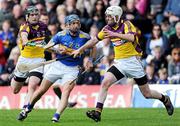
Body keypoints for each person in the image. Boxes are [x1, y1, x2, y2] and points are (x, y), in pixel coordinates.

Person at [72, 6, 174, 122]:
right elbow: (94, 40)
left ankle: (165, 99)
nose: (107, 18)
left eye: (109, 16)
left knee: (147, 93)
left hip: (133, 62)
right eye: (107, 16)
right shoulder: (107, 28)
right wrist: (80, 49)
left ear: (116, 16)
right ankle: (97, 112)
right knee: (105, 82)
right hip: (120, 63)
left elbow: (131, 37)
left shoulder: (126, 24)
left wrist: (114, 34)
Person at [17, 14, 91, 122]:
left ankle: (56, 116)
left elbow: (93, 46)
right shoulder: (60, 35)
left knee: (66, 91)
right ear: (67, 25)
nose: (76, 25)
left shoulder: (85, 37)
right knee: (41, 90)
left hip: (73, 69)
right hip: (58, 65)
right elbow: (47, 47)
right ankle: (28, 108)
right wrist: (57, 50)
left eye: (78, 23)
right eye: (73, 23)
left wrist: (90, 60)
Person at [10, 6, 49, 108]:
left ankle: (25, 109)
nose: (34, 17)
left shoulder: (44, 27)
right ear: (27, 16)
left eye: (36, 14)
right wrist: (27, 42)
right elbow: (24, 36)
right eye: (32, 15)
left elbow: (47, 43)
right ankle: (14, 75)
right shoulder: (24, 26)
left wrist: (57, 49)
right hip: (25, 60)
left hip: (39, 59)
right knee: (15, 90)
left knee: (32, 85)